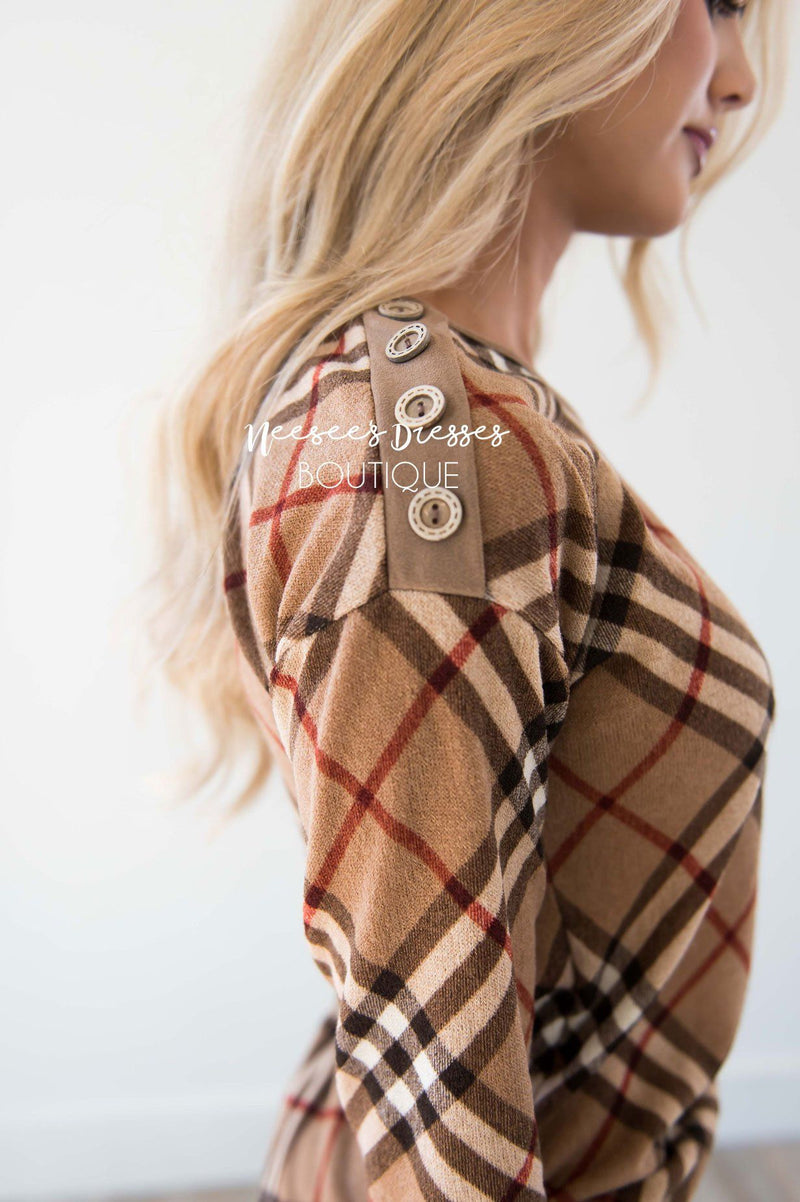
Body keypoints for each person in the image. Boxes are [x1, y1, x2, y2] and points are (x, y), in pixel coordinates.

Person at [141, 1, 787, 1198]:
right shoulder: (418, 442)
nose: (740, 78)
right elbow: (443, 1148)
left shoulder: (450, 415)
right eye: (713, 4)